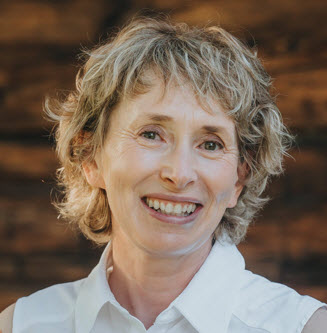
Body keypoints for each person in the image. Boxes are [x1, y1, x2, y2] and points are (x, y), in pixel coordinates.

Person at [0, 16, 326, 333]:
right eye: (152, 134)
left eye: (210, 144)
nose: (179, 173)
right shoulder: (22, 325)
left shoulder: (303, 327)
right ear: (91, 158)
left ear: (239, 178)